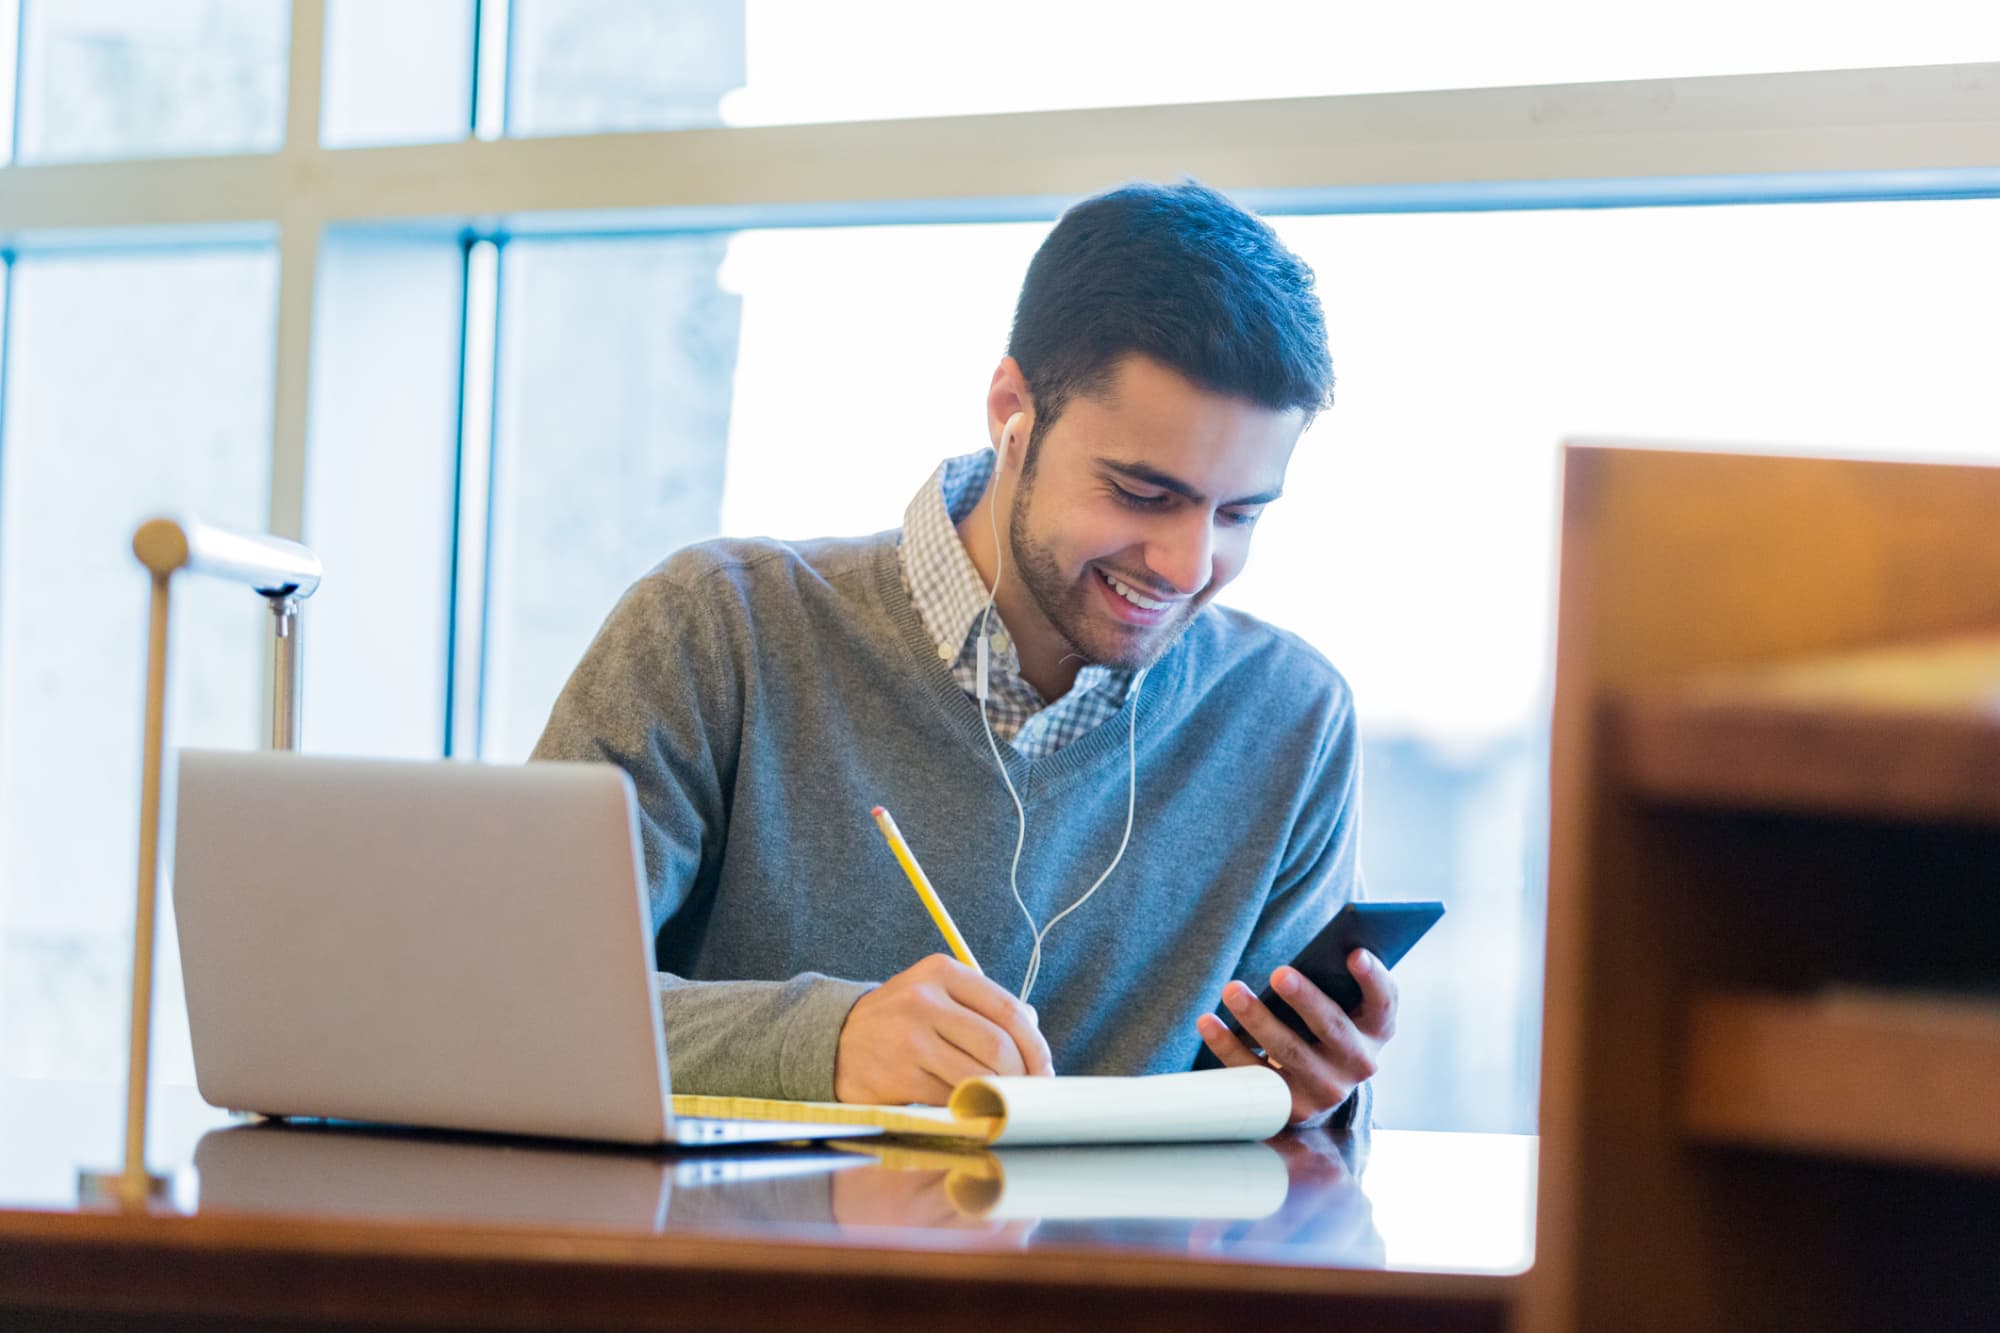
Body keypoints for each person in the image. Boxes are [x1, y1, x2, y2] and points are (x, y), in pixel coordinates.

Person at [533, 180, 1395, 1127]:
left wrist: (1312, 1099)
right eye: (1143, 494)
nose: (1188, 564)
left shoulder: (1291, 719)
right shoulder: (717, 629)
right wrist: (830, 1043)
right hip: (740, 1270)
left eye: (1237, 514)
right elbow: (513, 1001)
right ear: (1010, 412)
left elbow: (1273, 1137)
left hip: (1111, 1274)